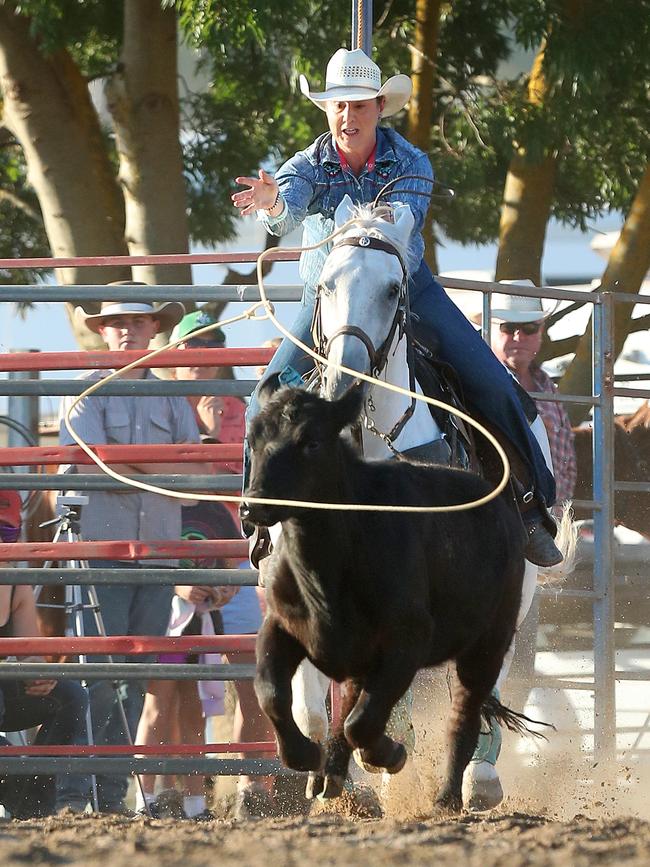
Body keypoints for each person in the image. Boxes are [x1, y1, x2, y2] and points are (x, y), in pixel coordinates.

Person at [232, 47, 562, 567]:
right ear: (326, 110)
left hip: (406, 292)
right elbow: (286, 208)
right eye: (338, 105)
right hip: (328, 300)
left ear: (379, 107)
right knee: (263, 400)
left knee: (496, 385)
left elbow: (400, 227)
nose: (348, 116)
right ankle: (261, 518)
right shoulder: (307, 165)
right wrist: (274, 203)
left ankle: (529, 507)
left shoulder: (411, 162)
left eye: (359, 105)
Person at [58, 290, 208, 814]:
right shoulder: (84, 393)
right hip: (101, 553)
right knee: (96, 677)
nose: (127, 332)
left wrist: (136, 467)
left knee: (131, 682)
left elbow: (197, 479)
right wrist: (165, 471)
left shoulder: (167, 397)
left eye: (137, 323)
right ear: (102, 331)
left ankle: (111, 794)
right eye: (117, 323)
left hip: (157, 557)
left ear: (153, 330)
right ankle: (81, 792)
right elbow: (106, 464)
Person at [168, 310, 275, 819]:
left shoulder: (241, 409)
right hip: (182, 567)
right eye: (191, 347)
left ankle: (248, 790)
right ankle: (194, 799)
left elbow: (248, 491)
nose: (200, 355)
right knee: (185, 693)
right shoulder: (164, 409)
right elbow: (162, 496)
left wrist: (237, 565)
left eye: (210, 344)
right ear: (174, 357)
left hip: (236, 565)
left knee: (253, 685)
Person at [0, 490, 90, 818]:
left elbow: (31, 651)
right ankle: (24, 793)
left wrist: (40, 671)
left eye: (7, 533)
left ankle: (39, 804)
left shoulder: (15, 584)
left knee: (70, 695)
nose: (2, 543)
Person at [486, 291, 577, 506]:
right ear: (491, 331)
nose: (519, 336)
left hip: (548, 515)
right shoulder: (484, 383)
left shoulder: (547, 386)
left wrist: (558, 509)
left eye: (529, 328)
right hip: (503, 512)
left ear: (541, 332)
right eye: (508, 328)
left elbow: (567, 461)